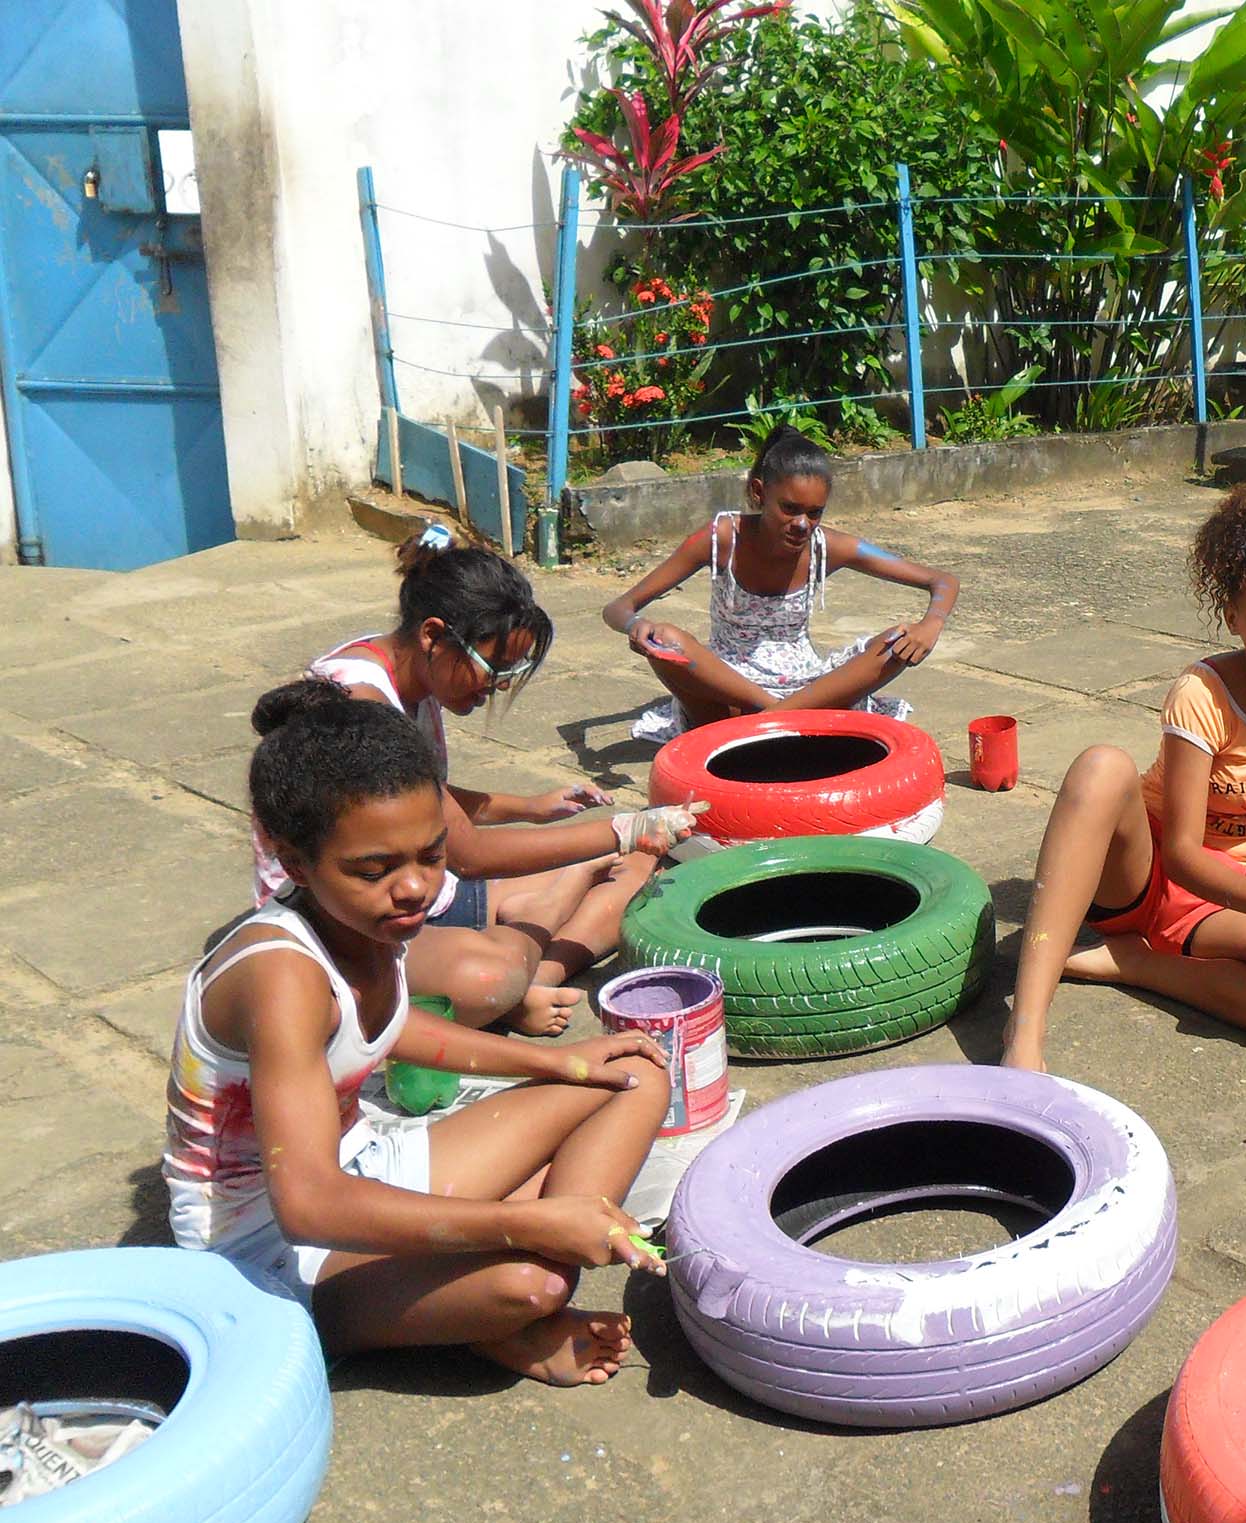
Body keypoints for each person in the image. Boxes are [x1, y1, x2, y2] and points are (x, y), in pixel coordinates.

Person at [175, 681, 672, 1385]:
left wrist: (558, 1065)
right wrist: (529, 1225)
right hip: (273, 1254)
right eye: (375, 870)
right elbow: (309, 1203)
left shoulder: (360, 918)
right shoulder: (280, 976)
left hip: (367, 1165)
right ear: (291, 863)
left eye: (431, 857)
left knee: (632, 1071)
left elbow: (392, 1029)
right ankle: (498, 1308)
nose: (412, 889)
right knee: (530, 1282)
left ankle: (506, 1268)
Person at [999, 485, 1246, 1072]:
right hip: (1145, 877)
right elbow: (1182, 854)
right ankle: (1023, 1032)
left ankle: (1133, 963)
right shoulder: (1201, 695)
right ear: (1232, 618)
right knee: (1103, 765)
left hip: (1226, 891)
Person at [258, 527, 697, 1035]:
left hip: (418, 891)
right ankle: (523, 963)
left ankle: (537, 973)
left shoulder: (400, 675)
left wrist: (529, 807)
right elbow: (467, 857)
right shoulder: (363, 706)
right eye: (494, 668)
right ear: (432, 635)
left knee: (637, 870)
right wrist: (626, 828)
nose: (496, 688)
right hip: (361, 916)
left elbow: (424, 802)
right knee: (489, 975)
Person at [605, 426, 960, 741]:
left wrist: (931, 624)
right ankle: (784, 718)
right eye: (789, 509)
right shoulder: (721, 538)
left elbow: (941, 580)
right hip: (729, 689)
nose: (802, 524)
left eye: (814, 513)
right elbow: (618, 608)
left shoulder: (829, 548)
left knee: (896, 643)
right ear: (759, 493)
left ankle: (773, 722)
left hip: (807, 687)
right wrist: (638, 627)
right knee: (666, 640)